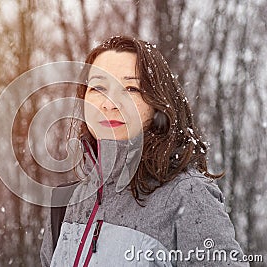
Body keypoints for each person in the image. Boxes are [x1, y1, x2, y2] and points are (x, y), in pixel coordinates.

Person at [40, 36, 248, 266]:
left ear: (157, 102)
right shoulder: (67, 201)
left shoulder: (187, 196)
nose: (110, 103)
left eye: (131, 88)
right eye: (98, 87)